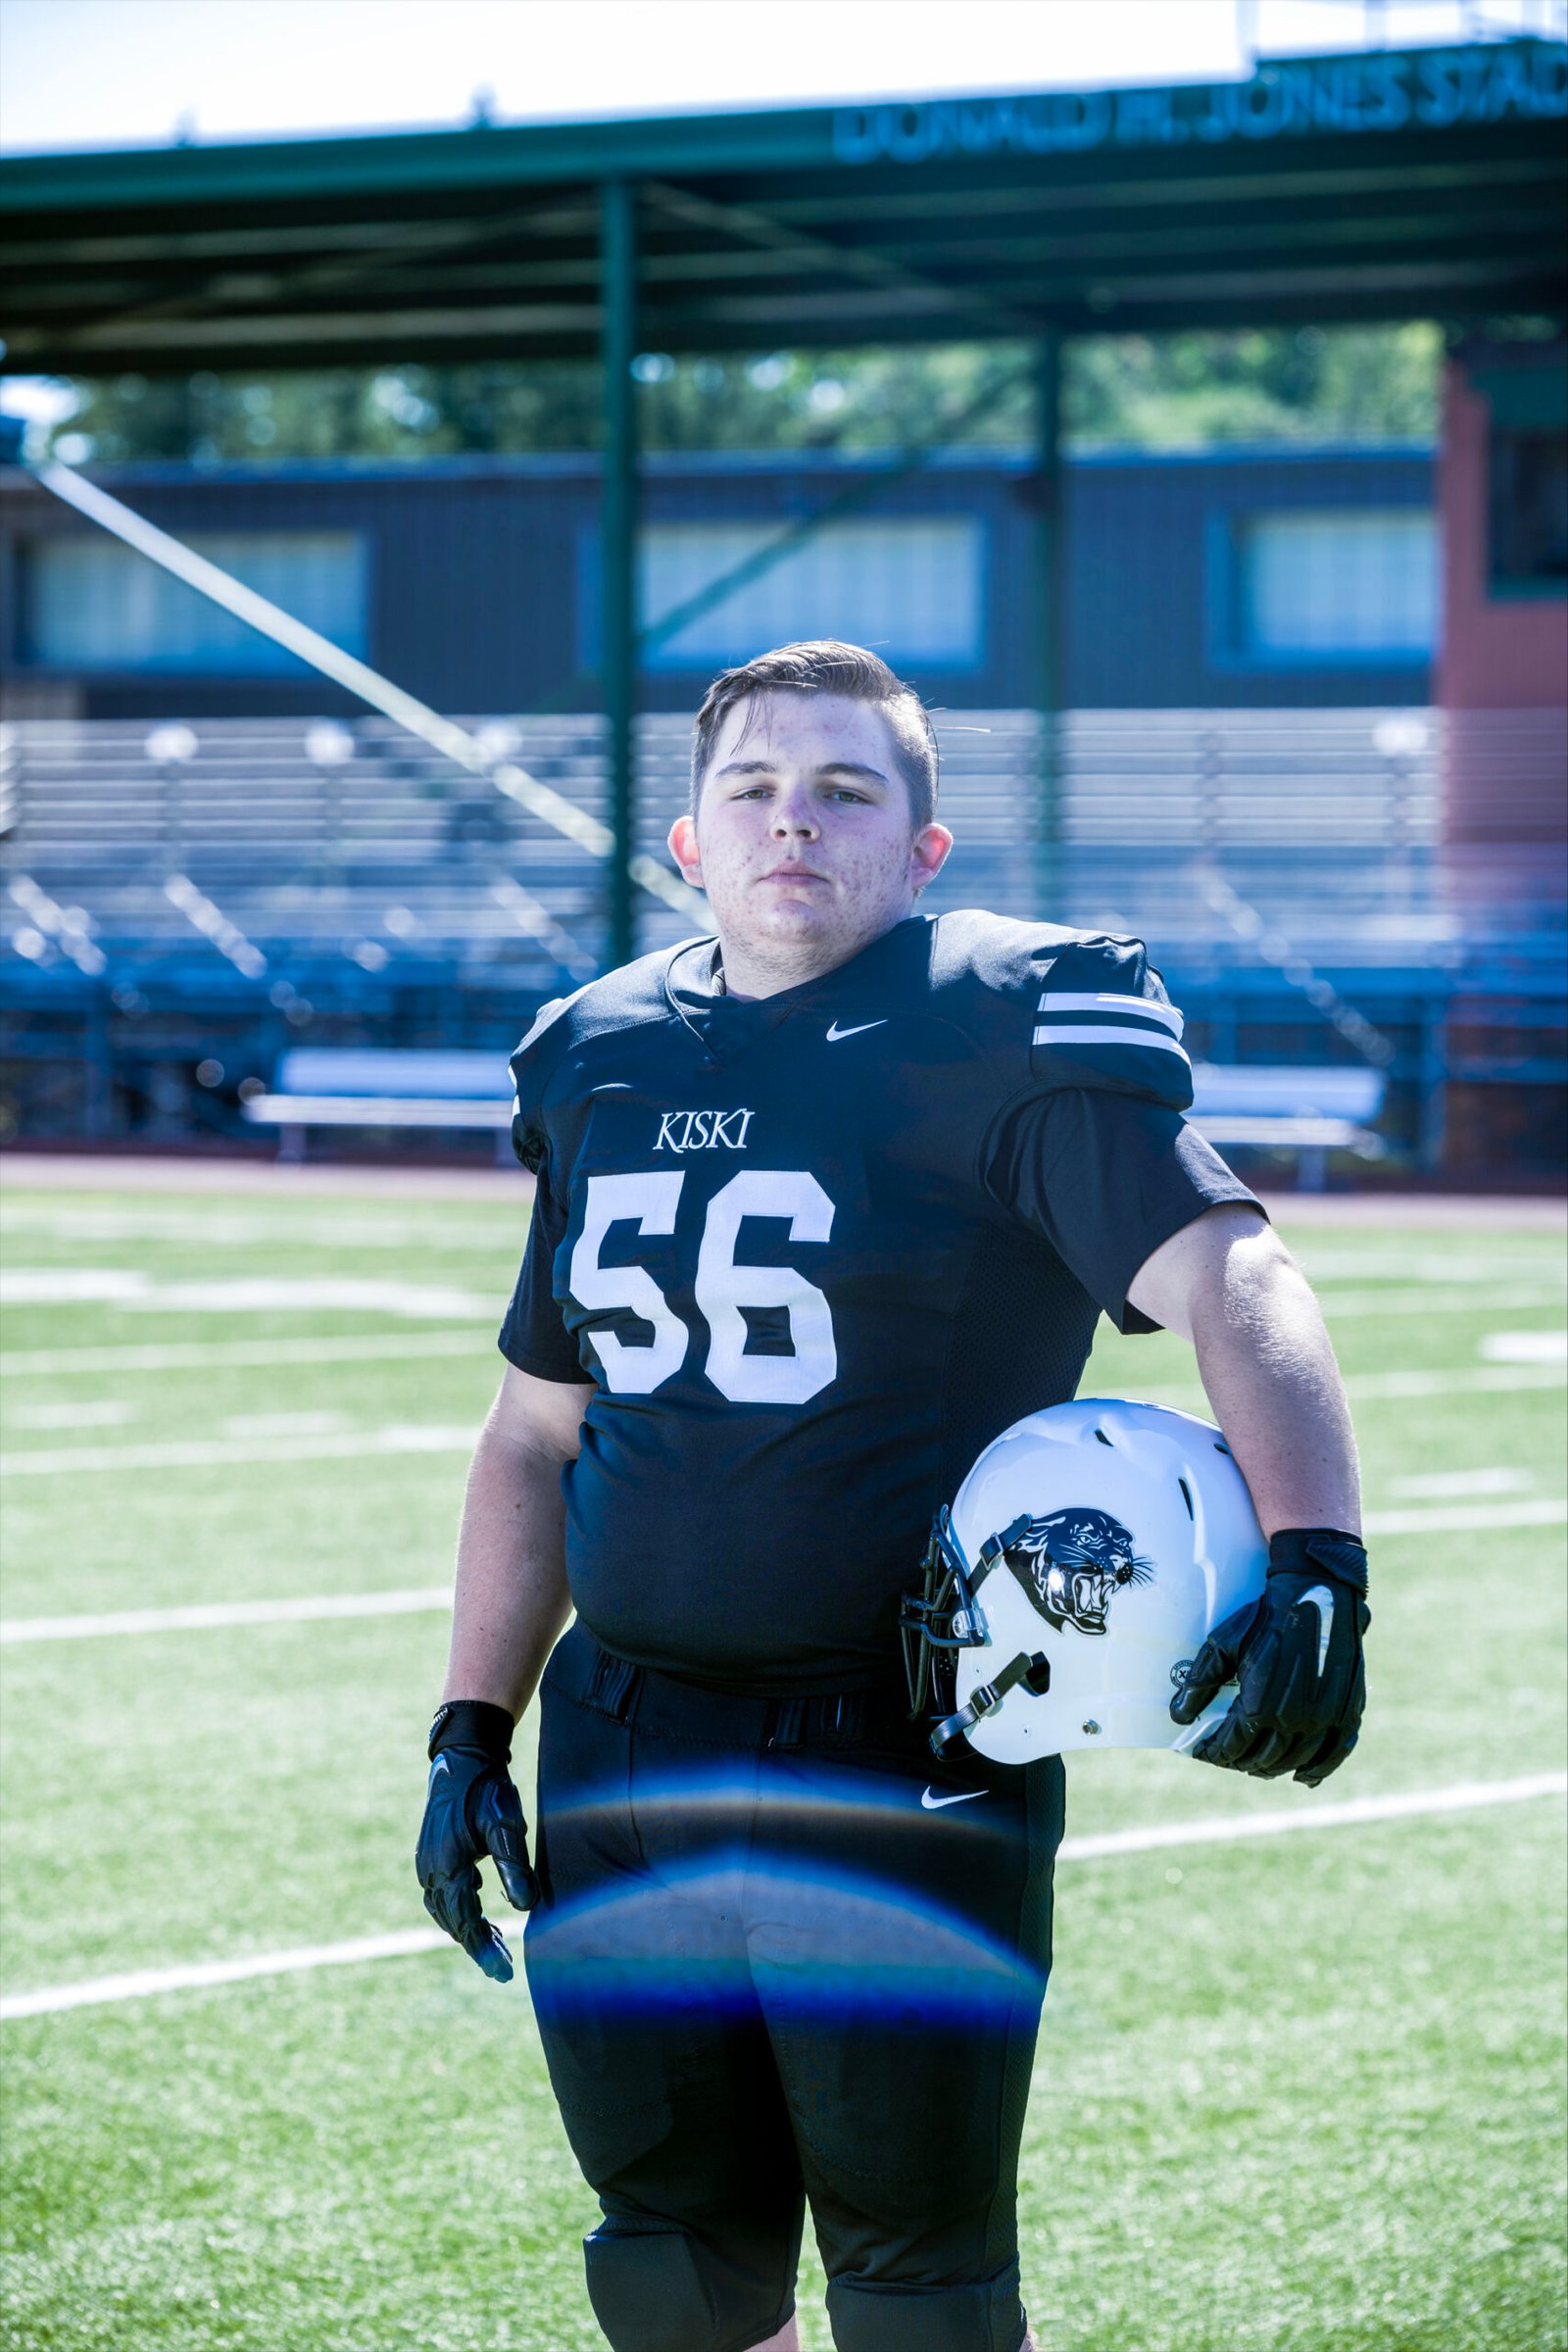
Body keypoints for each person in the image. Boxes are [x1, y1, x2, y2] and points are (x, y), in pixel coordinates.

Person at [416, 642, 1369, 2352]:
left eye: (846, 789)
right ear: (691, 839)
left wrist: (1318, 1559)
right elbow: (536, 1432)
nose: (794, 821)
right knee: (667, 2268)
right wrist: (470, 1727)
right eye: (754, 788)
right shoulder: (596, 1050)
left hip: (900, 1745)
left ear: (923, 848)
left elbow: (1239, 1278)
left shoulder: (997, 1022)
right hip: (621, 1747)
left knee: (921, 2293)